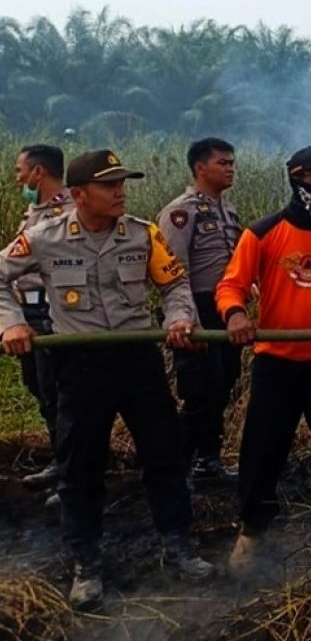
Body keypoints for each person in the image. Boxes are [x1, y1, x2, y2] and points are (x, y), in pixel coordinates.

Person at [0, 149, 215, 610]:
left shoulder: (143, 234)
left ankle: (178, 547)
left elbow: (174, 284)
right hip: (80, 364)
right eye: (109, 185)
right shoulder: (43, 238)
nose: (120, 193)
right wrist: (12, 323)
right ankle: (87, 565)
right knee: (80, 467)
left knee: (163, 455)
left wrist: (179, 318)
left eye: (122, 184)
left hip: (138, 360)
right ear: (79, 194)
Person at [216, 145, 311, 577]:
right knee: (263, 449)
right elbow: (232, 285)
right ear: (298, 179)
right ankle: (251, 531)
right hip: (277, 362)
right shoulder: (263, 233)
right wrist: (238, 314)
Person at [157, 138, 243, 482]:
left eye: (231, 162)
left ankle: (207, 458)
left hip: (225, 307)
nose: (230, 168)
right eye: (222, 163)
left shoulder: (229, 211)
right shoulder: (181, 212)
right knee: (199, 388)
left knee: (224, 383)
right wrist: (185, 316)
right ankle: (180, 462)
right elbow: (175, 272)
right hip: (195, 305)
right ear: (199, 168)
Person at [12, 144, 72, 504]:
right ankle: (60, 460)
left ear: (38, 172)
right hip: (27, 313)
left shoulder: (67, 213)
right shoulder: (32, 212)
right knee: (41, 389)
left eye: (21, 170)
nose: (18, 177)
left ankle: (73, 471)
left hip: (53, 312)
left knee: (61, 390)